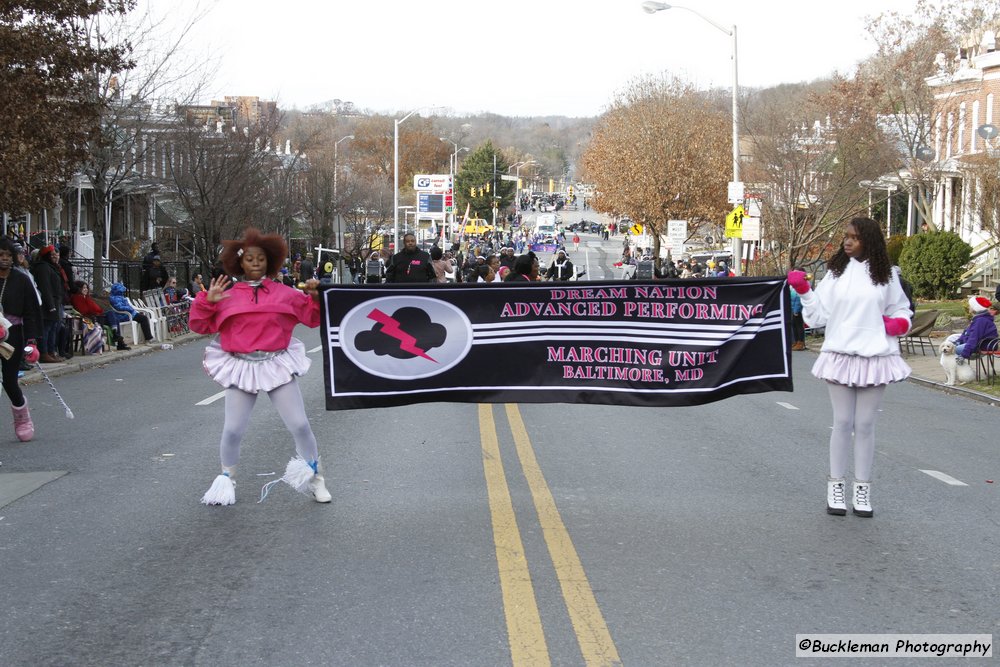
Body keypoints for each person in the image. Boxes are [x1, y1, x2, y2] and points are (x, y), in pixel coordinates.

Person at [190, 227, 330, 506]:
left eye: (261, 259)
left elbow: (313, 318)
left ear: (270, 262)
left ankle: (315, 478)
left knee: (300, 425)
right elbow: (199, 325)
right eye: (249, 259)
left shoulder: (285, 293)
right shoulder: (227, 295)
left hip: (276, 363)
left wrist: (315, 296)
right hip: (241, 366)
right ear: (239, 263)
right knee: (232, 430)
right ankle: (226, 480)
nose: (255, 263)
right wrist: (207, 301)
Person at [788, 217, 912, 518]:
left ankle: (863, 489)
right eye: (845, 236)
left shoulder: (887, 276)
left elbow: (901, 308)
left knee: (866, 425)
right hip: (840, 354)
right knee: (842, 422)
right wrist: (804, 290)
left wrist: (899, 323)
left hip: (875, 357)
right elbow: (817, 317)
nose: (847, 241)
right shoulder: (835, 273)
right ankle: (836, 487)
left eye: (854, 237)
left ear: (868, 240)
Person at [0, 237, 43, 441]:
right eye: (1, 255)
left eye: (8, 255)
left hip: (13, 336)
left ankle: (22, 417)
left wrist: (32, 341)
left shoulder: (21, 280)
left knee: (9, 380)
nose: (5, 259)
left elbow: (31, 312)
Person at [70, 281, 131, 350]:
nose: (86, 289)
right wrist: (95, 310)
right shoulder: (77, 298)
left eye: (86, 287)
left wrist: (95, 310)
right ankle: (118, 341)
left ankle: (116, 335)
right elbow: (85, 310)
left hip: (97, 317)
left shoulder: (87, 298)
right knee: (112, 315)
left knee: (113, 317)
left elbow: (98, 309)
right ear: (78, 289)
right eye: (83, 288)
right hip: (88, 319)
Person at [30, 245, 65, 363]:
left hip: (55, 301)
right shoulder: (43, 268)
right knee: (46, 329)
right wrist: (50, 305)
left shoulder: (51, 267)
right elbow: (45, 288)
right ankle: (44, 352)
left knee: (53, 329)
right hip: (47, 304)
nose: (54, 256)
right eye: (51, 255)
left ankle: (51, 351)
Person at [953, 296, 998, 361]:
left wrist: (964, 354)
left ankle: (958, 369)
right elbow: (966, 333)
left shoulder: (980, 321)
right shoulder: (979, 318)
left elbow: (974, 338)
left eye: (970, 305)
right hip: (979, 344)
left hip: (983, 346)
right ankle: (956, 368)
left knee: (950, 350)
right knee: (950, 341)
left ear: (976, 308)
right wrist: (958, 341)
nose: (969, 307)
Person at [789, 267, 807, 351]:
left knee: (799, 326)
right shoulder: (793, 285)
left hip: (798, 310)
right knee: (794, 325)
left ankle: (800, 343)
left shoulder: (802, 284)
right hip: (793, 309)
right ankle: (795, 342)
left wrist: (796, 310)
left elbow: (798, 299)